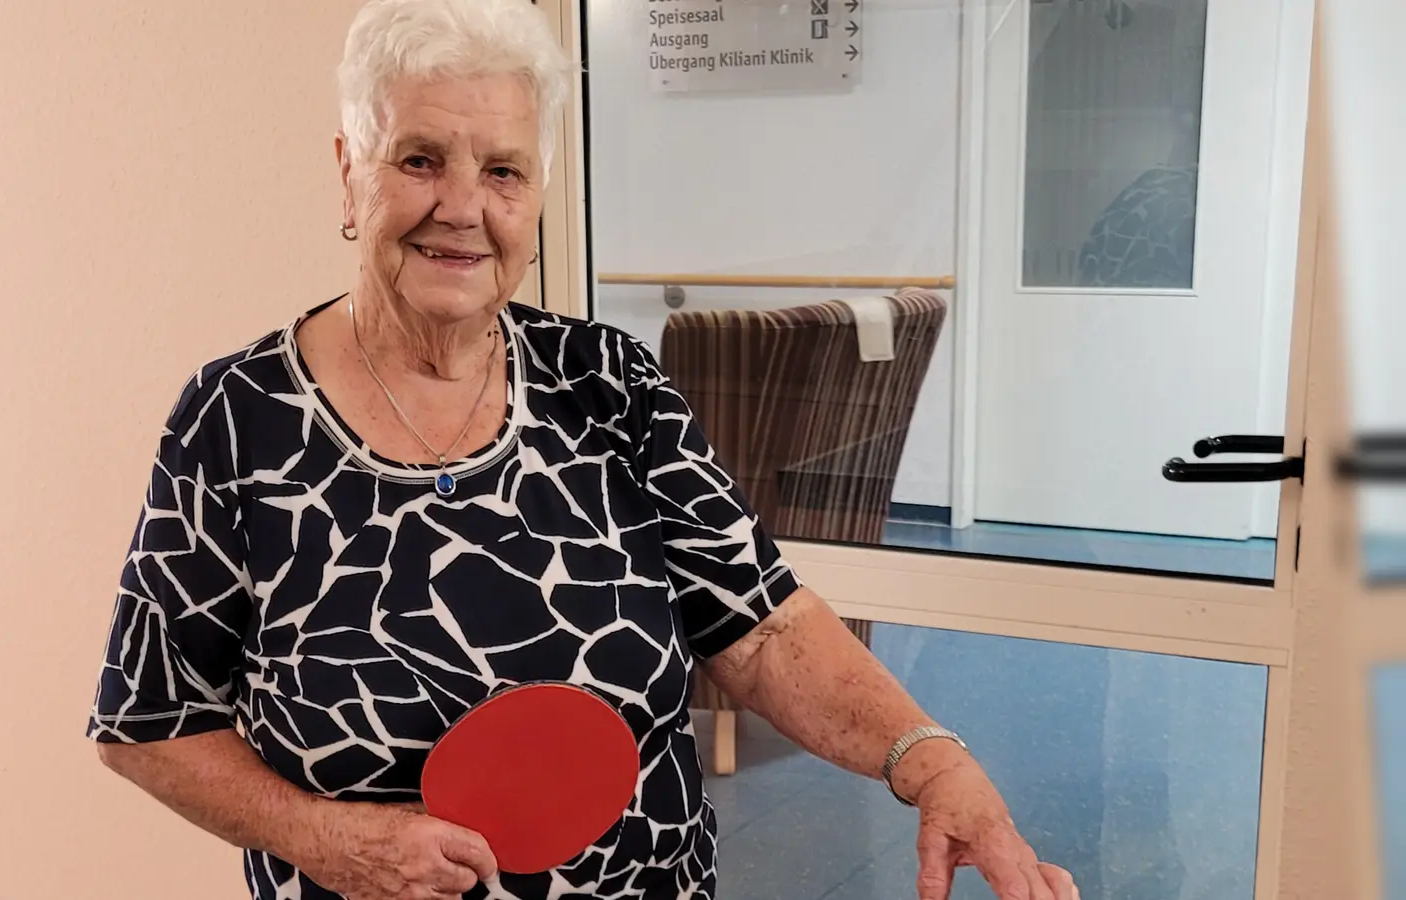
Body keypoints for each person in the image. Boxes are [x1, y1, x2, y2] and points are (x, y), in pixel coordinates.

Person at [84, 0, 1081, 898]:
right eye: (420, 159)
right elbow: (148, 722)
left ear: (537, 196)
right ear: (349, 172)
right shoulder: (237, 417)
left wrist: (932, 762)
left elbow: (763, 626)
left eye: (503, 171)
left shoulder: (606, 383)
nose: (463, 206)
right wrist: (329, 840)